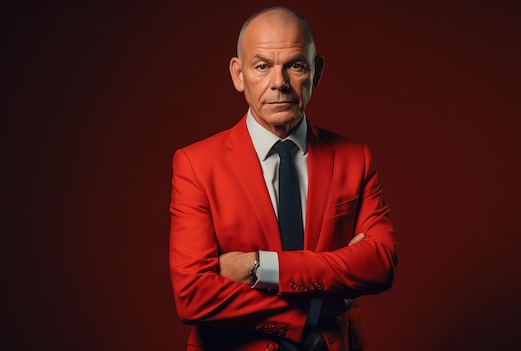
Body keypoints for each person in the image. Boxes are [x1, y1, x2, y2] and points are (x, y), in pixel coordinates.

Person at [169, 6, 397, 351]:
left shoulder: (355, 157)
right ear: (238, 74)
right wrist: (313, 309)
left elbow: (380, 263)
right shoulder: (196, 164)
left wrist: (261, 267)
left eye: (295, 65)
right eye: (262, 66)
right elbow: (193, 296)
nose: (279, 82)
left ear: (316, 71)